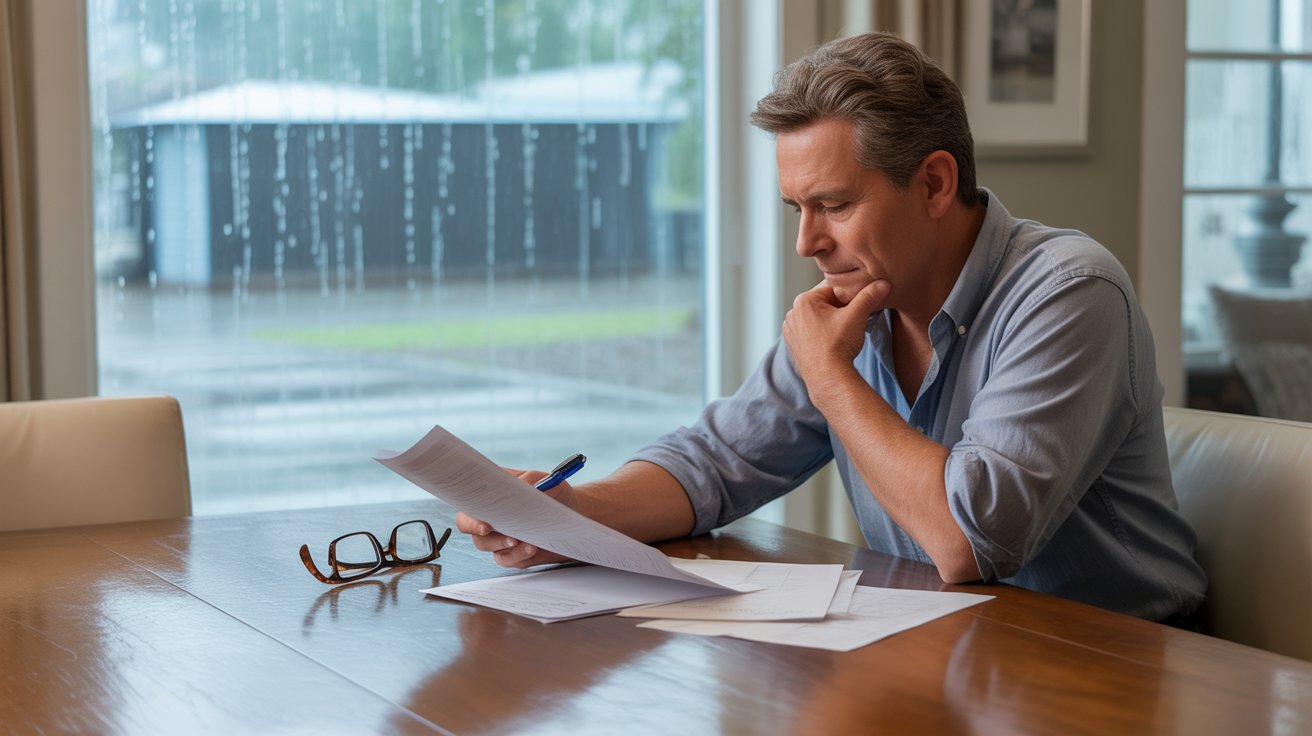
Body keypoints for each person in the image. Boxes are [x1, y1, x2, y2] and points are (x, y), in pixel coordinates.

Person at [457, 31, 1206, 622]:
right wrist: (570, 516)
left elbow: (970, 541)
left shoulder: (1069, 291)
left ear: (936, 183)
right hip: (962, 649)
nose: (806, 242)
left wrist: (830, 377)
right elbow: (715, 462)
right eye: (797, 209)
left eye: (835, 205)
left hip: (1123, 667)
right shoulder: (858, 303)